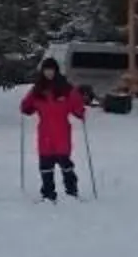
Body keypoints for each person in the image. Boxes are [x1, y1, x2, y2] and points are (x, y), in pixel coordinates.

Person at [19, 57, 93, 201]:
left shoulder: (65, 88)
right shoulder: (38, 89)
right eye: (46, 70)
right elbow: (28, 104)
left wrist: (80, 112)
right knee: (45, 165)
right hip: (45, 132)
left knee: (65, 163)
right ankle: (48, 194)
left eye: (51, 70)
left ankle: (72, 191)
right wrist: (25, 108)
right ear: (43, 71)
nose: (49, 73)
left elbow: (76, 103)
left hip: (62, 132)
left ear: (56, 71)